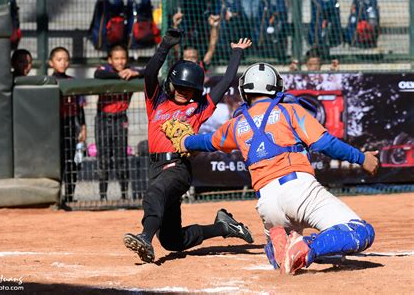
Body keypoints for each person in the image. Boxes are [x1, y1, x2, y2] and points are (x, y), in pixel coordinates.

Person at [165, 62, 379, 274]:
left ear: (244, 91)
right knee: (361, 231)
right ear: (277, 88)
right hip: (298, 190)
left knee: (289, 258)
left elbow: (206, 141)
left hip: (267, 204)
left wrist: (185, 142)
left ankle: (277, 246)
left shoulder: (236, 123)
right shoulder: (290, 111)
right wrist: (362, 158)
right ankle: (307, 246)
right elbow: (325, 144)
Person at [122, 29, 253, 263]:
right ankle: (223, 227)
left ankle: (144, 237)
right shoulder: (157, 102)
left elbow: (224, 82)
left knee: (155, 193)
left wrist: (237, 53)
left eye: (190, 89)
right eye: (181, 87)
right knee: (173, 241)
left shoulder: (198, 108)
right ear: (171, 85)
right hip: (155, 167)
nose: (184, 92)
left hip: (177, 167)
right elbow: (151, 73)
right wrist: (165, 46)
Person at [94, 44, 144, 200]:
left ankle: (124, 195)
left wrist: (134, 73)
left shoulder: (131, 71)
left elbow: (147, 72)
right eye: (116, 58)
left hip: (120, 119)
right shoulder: (105, 70)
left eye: (123, 58)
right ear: (110, 60)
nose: (120, 62)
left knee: (121, 157)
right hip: (103, 119)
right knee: (103, 158)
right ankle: (103, 196)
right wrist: (119, 76)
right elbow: (98, 74)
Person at [49, 46, 87, 205]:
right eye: (59, 59)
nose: (63, 62)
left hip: (71, 124)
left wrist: (83, 127)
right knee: (56, 162)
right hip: (53, 126)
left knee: (72, 162)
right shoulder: (48, 82)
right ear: (51, 62)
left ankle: (69, 195)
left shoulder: (73, 82)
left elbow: (80, 108)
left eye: (66, 59)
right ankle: (54, 197)